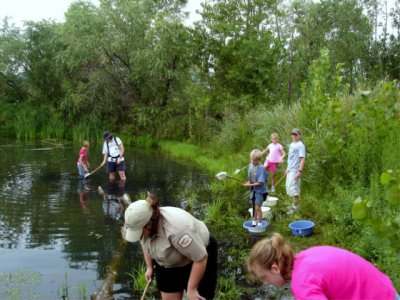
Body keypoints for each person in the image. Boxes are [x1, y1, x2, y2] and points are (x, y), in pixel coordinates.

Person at [247, 232, 399, 300]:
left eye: (263, 277)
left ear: (275, 269)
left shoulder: (302, 284)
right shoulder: (307, 255)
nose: (265, 283)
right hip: (386, 290)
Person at [122, 193, 218, 300]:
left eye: (139, 232)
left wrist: (192, 289)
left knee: (197, 296)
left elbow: (201, 257)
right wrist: (149, 267)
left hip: (197, 257)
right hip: (168, 262)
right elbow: (144, 243)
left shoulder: (177, 229)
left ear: (149, 224)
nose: (139, 236)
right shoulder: (142, 227)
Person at [243, 149, 268, 228]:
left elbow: (261, 182)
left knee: (258, 207)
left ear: (259, 159)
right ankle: (254, 222)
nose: (253, 162)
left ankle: (260, 224)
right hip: (253, 190)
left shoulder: (262, 168)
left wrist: (250, 185)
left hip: (260, 191)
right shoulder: (251, 166)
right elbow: (251, 178)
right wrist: (249, 183)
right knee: (253, 207)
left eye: (255, 160)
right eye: (252, 160)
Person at [285, 128, 305, 213]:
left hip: (295, 170)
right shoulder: (292, 144)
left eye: (296, 134)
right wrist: (287, 168)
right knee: (289, 188)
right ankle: (293, 206)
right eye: (293, 134)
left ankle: (295, 208)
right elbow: (290, 158)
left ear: (299, 135)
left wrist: (299, 171)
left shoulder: (300, 145)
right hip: (290, 169)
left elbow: (302, 159)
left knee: (294, 189)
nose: (294, 136)